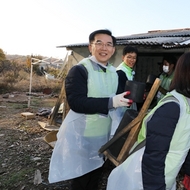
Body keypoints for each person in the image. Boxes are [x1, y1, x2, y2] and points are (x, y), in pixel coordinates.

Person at [106, 51, 190, 190]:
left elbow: (187, 142)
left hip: (165, 177)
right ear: (189, 72)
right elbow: (153, 159)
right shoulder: (172, 107)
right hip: (142, 179)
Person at [48, 29, 133, 190]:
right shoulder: (80, 70)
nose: (104, 48)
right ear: (90, 47)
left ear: (114, 50)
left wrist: (126, 100)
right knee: (81, 177)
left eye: (109, 44)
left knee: (96, 173)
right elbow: (77, 102)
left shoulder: (114, 73)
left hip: (104, 133)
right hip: (81, 134)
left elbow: (118, 98)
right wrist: (111, 102)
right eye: (99, 43)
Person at [109, 46, 138, 138]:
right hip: (118, 110)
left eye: (134, 58)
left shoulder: (129, 71)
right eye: (129, 57)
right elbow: (120, 93)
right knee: (116, 133)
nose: (132, 60)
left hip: (123, 109)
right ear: (123, 57)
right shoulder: (120, 72)